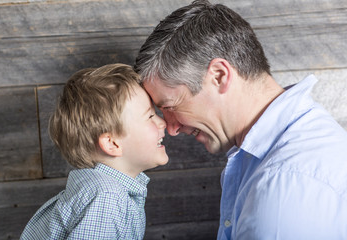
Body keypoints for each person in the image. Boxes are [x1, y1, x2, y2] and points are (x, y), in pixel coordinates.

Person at [134, 0, 347, 239]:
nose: (171, 128)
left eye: (170, 106)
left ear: (219, 76)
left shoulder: (283, 187)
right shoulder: (286, 148)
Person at [20, 63, 168, 239]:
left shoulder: (104, 190)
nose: (163, 123)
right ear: (112, 143)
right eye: (150, 116)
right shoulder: (107, 197)